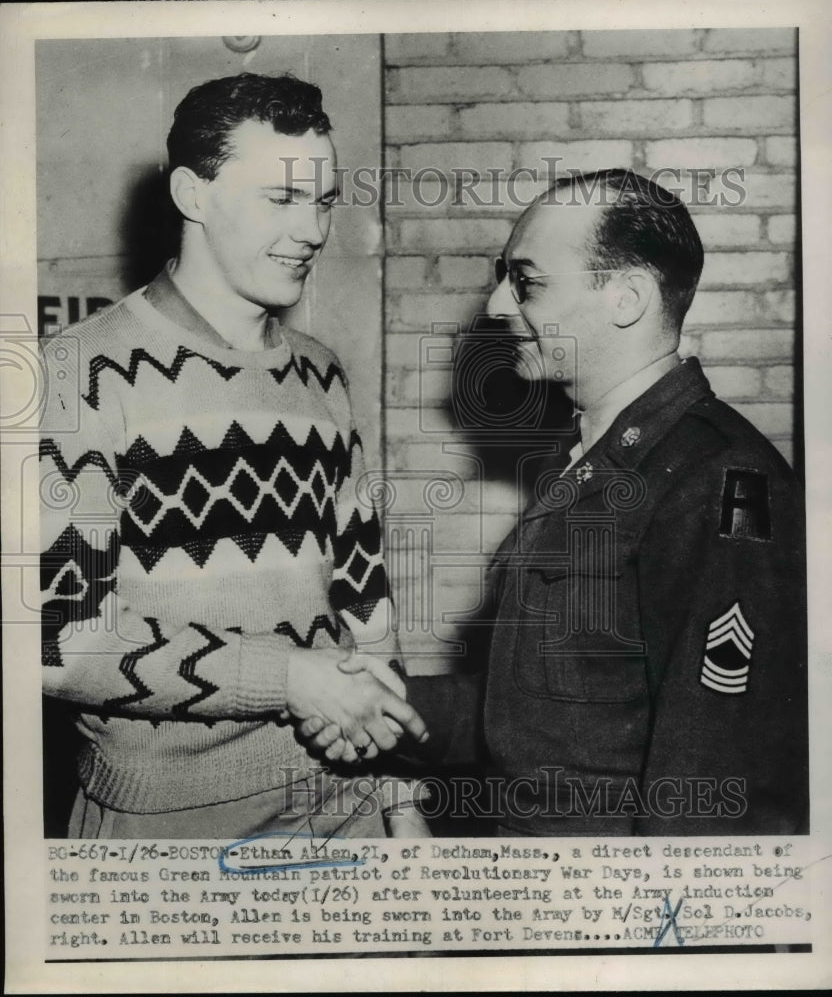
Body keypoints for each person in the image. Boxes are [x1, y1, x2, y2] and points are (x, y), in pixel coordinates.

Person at [305, 169, 809, 837]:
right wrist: (392, 701)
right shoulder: (592, 462)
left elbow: (715, 784)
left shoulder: (717, 477)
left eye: (528, 282)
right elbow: (556, 713)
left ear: (626, 297)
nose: (496, 307)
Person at [39, 72, 427, 840]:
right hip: (169, 828)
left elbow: (366, 606)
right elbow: (56, 641)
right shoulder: (78, 372)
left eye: (323, 201)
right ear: (193, 194)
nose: (312, 230)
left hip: (344, 808)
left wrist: (401, 801)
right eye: (281, 199)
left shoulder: (322, 372)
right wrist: (287, 679)